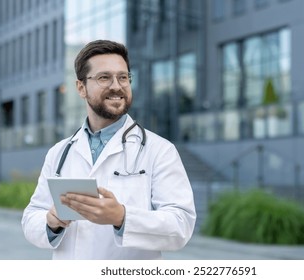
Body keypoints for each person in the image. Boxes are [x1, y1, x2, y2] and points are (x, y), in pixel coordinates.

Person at [21, 40, 196, 260]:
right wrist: (51, 221)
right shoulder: (60, 152)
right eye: (104, 77)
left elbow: (181, 225)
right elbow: (30, 218)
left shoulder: (159, 151)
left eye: (123, 77)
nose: (117, 85)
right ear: (81, 87)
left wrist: (122, 217)